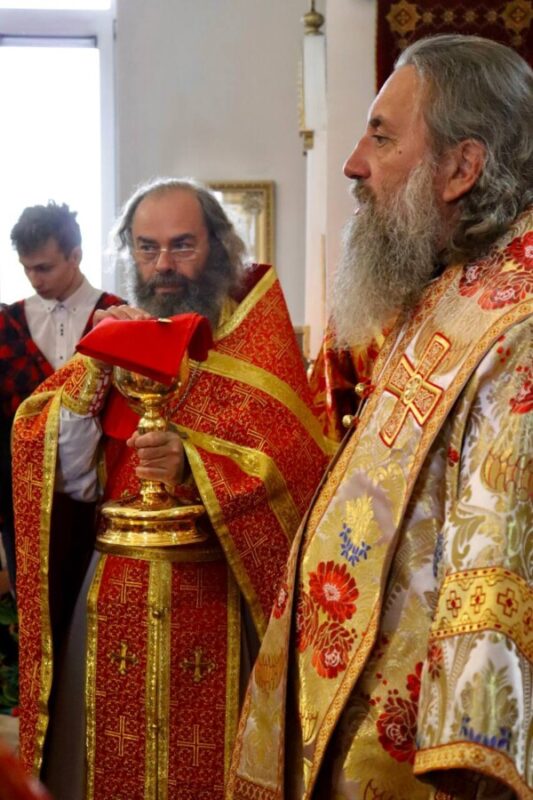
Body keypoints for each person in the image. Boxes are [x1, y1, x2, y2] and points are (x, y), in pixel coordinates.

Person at [228, 35, 532, 800]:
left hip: (426, 761)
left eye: (381, 136)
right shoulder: (449, 284)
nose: (352, 163)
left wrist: (471, 753)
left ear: (461, 169)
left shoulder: (518, 322)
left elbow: (494, 553)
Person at [12, 179, 332, 799]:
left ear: (218, 245)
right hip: (115, 596)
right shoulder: (120, 330)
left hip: (217, 597)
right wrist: (97, 365)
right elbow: (61, 468)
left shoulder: (253, 341)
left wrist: (193, 465)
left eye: (182, 245)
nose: (163, 264)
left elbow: (294, 474)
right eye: (147, 247)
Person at [0, 201, 123, 588]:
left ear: (75, 256)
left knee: (94, 609)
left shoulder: (117, 317)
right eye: (26, 268)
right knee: (32, 609)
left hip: (102, 498)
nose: (34, 279)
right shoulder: (7, 323)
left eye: (44, 268)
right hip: (22, 499)